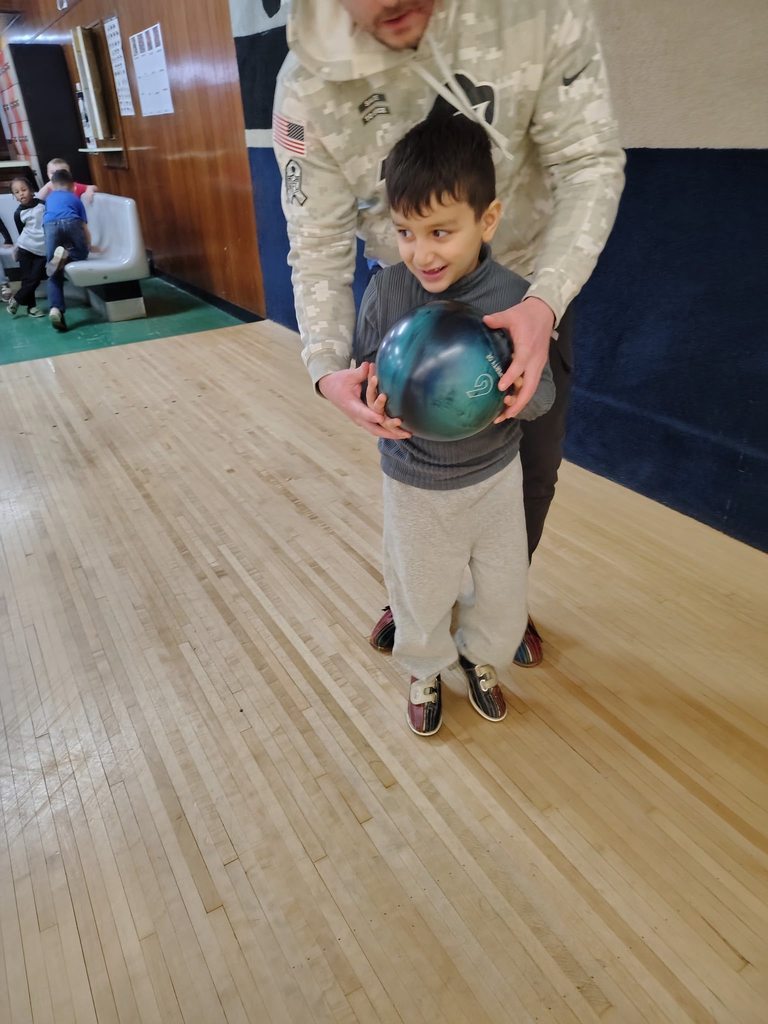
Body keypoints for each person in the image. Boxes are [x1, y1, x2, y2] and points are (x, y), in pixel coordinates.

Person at [273, 0, 625, 667]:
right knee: (417, 475)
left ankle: (500, 602)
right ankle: (419, 602)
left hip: (525, 295)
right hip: (410, 303)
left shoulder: (541, 16)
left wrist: (544, 302)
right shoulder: (306, 86)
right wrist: (325, 365)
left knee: (532, 471)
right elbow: (314, 242)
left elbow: (589, 163)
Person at [354, 114, 555, 735]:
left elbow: (543, 394)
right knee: (418, 592)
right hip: (415, 484)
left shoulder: (518, 298)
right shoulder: (388, 293)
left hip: (495, 480)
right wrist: (373, 403)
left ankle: (480, 659)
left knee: (502, 596)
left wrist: (509, 398)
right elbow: (364, 376)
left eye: (441, 231)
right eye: (406, 232)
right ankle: (424, 668)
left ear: (487, 220)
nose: (421, 252)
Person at [42, 168, 91, 333]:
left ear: (53, 186)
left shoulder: (50, 198)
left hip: (50, 226)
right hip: (72, 221)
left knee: (52, 270)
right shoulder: (74, 198)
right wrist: (87, 247)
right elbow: (83, 226)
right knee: (80, 255)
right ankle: (67, 255)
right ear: (72, 186)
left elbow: (46, 220)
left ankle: (55, 309)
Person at [5, 176, 47, 318]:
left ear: (31, 190)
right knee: (27, 279)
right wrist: (17, 248)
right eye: (17, 192)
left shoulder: (43, 205)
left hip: (42, 251)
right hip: (25, 249)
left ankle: (16, 300)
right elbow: (22, 232)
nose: (21, 193)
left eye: (24, 189)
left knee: (34, 279)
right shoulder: (18, 213)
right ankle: (31, 308)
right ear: (14, 196)